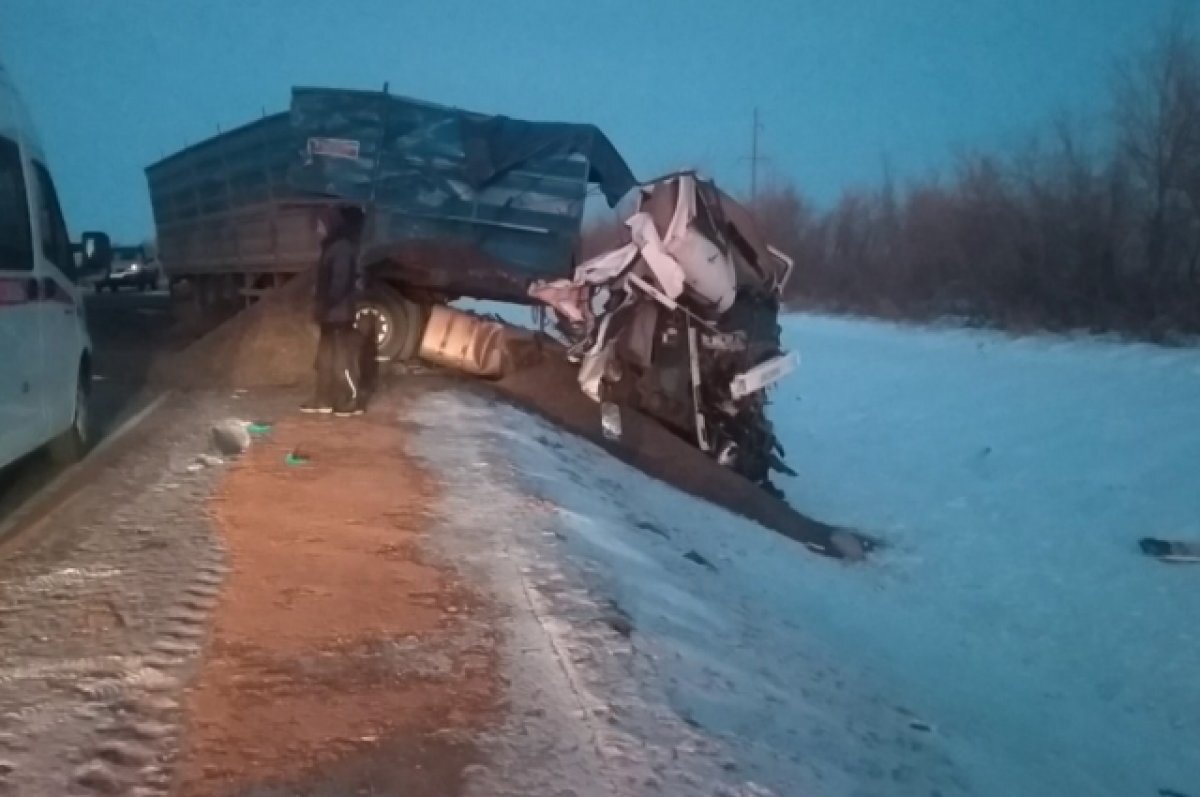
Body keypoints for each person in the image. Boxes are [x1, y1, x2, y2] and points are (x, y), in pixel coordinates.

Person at [302, 204, 367, 416]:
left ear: (329, 224)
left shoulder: (342, 248)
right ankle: (324, 400)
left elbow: (339, 283)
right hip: (329, 315)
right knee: (324, 360)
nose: (317, 229)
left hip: (339, 314)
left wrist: (324, 304)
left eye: (319, 224)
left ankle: (349, 402)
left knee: (342, 360)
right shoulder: (331, 246)